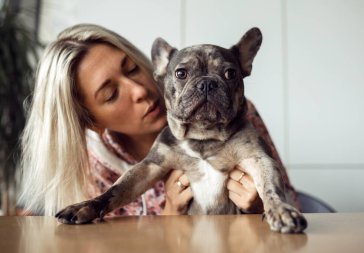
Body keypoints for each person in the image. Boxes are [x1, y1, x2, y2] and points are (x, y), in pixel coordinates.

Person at [18, 24, 298, 217]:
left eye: (132, 69)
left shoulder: (240, 118)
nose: (139, 91)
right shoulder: (93, 167)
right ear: (91, 121)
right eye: (112, 94)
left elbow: (290, 200)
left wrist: (262, 209)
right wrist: (170, 213)